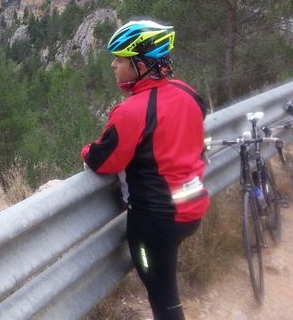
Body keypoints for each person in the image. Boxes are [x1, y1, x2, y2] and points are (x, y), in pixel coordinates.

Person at [81, 19, 210, 320]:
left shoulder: (132, 111)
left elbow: (103, 160)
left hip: (153, 220)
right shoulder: (187, 92)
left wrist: (86, 150)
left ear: (142, 64)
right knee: (164, 283)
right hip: (191, 207)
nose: (113, 65)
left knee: (163, 296)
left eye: (119, 59)